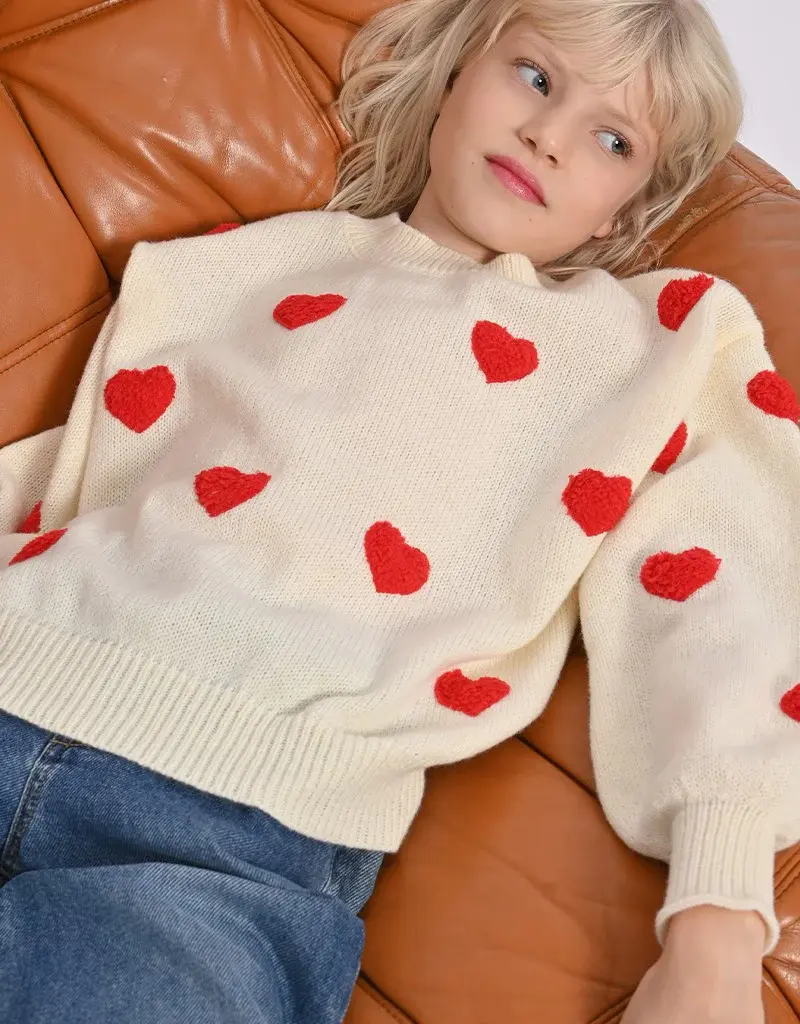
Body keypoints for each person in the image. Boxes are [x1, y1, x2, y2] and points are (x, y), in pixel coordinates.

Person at [0, 0, 797, 1021]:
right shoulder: (233, 263)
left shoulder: (657, 349)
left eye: (612, 140)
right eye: (535, 77)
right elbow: (80, 480)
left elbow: (729, 591)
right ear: (459, 74)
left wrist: (715, 933)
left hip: (234, 841)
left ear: (623, 209)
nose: (545, 136)